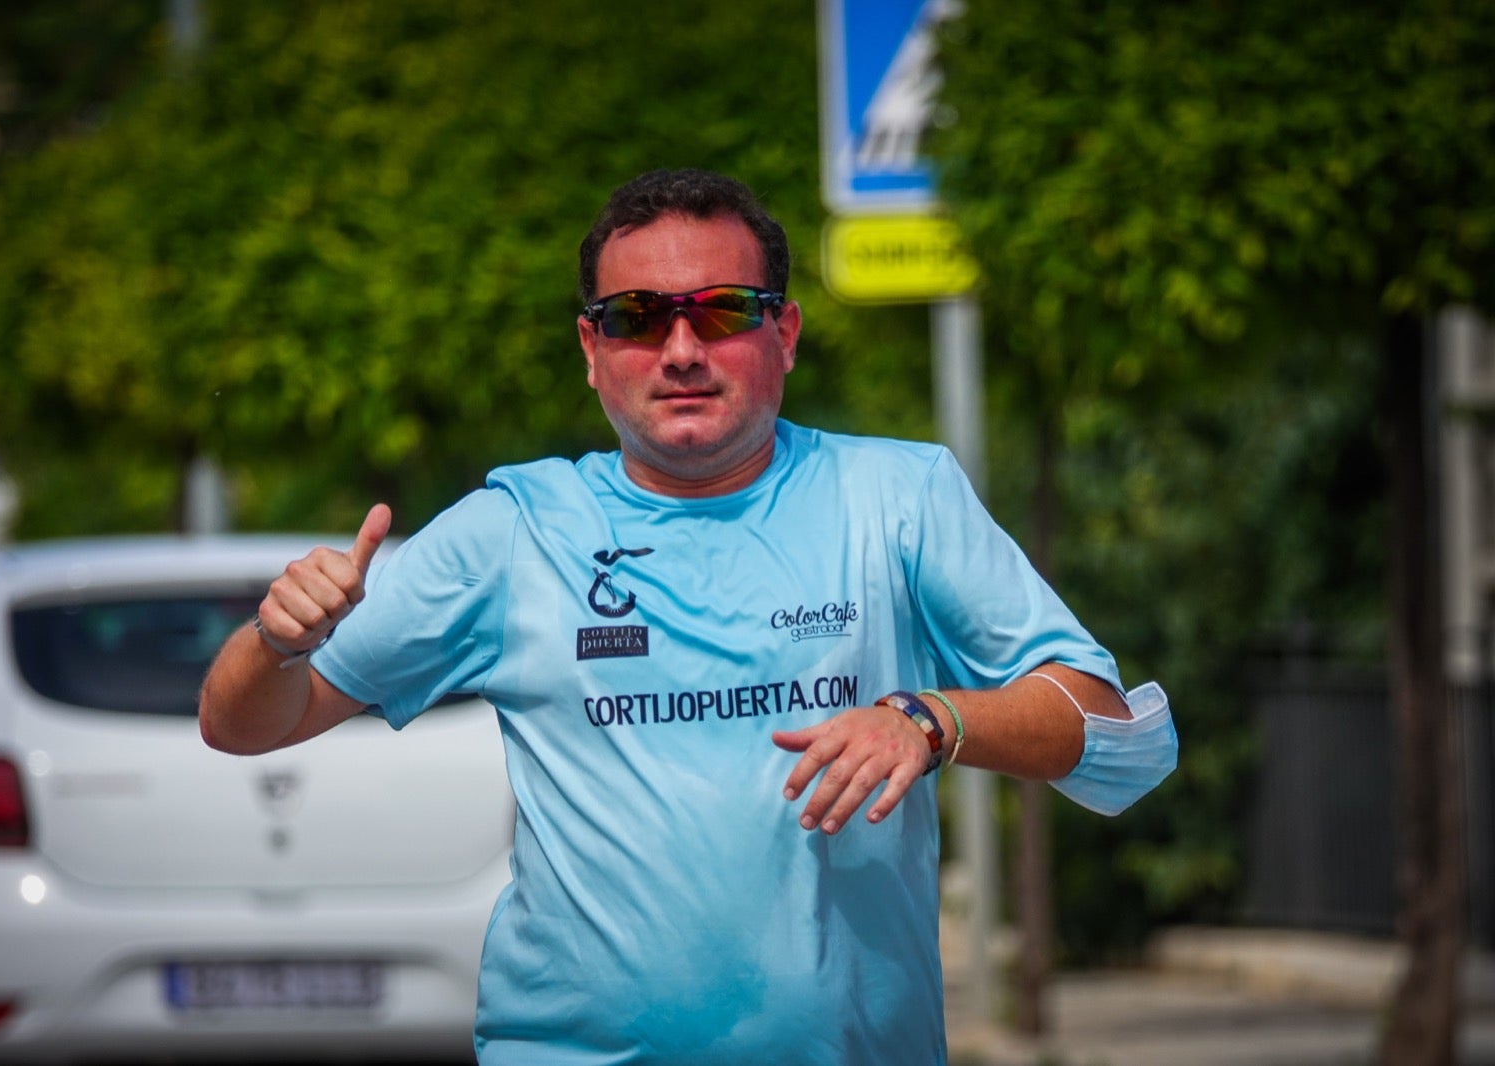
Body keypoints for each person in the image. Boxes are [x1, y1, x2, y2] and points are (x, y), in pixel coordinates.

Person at [199, 167, 1177, 1065]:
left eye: (721, 313)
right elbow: (245, 724)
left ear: (783, 333)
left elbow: (1113, 734)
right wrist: (274, 642)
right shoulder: (512, 529)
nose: (679, 350)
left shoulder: (896, 495)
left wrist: (931, 720)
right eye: (635, 316)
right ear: (591, 347)